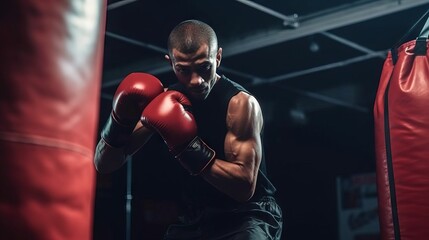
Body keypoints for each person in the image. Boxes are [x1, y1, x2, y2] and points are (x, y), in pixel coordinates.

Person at [94, 19, 283, 239]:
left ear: (218, 57)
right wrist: (119, 120)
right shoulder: (164, 102)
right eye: (184, 70)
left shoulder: (240, 104)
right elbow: (104, 164)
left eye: (204, 67)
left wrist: (187, 147)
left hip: (248, 215)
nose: (196, 80)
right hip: (195, 216)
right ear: (171, 63)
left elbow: (243, 188)